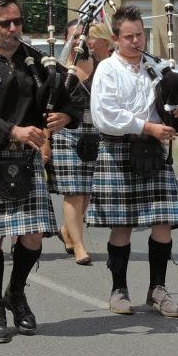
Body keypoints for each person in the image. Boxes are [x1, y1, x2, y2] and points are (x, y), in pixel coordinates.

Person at [0, 0, 82, 342]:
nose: (13, 28)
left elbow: (73, 98)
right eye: (5, 23)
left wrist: (65, 115)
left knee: (34, 234)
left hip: (26, 161)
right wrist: (13, 130)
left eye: (18, 21)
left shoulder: (37, 62)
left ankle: (16, 292)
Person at [89, 5, 178, 317]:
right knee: (123, 224)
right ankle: (119, 289)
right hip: (120, 149)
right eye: (129, 37)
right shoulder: (107, 70)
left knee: (163, 222)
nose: (136, 41)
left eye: (140, 35)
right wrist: (147, 126)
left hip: (154, 152)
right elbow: (106, 115)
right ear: (116, 38)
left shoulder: (158, 66)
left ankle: (157, 289)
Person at [47, 20, 113, 266]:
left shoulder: (102, 66)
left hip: (94, 131)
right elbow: (48, 104)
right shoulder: (59, 67)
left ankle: (67, 231)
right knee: (73, 191)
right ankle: (80, 247)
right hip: (66, 131)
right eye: (73, 37)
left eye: (81, 36)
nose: (78, 41)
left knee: (86, 191)